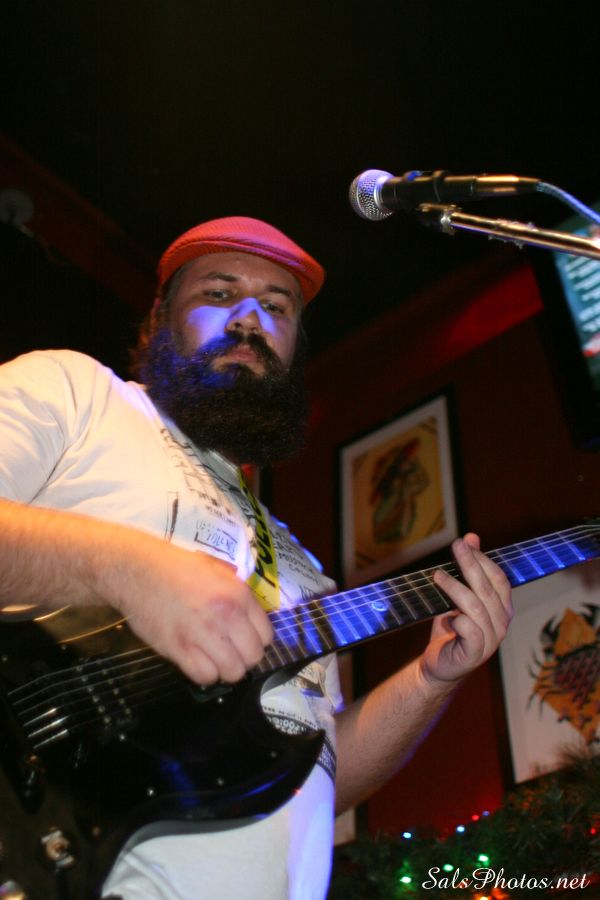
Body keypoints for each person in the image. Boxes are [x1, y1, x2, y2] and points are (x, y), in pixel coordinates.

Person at [0, 216, 512, 900]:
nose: (250, 318)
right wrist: (126, 568)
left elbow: (314, 775)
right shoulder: (79, 393)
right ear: (159, 319)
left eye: (278, 307)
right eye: (218, 293)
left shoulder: (303, 568)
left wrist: (431, 678)